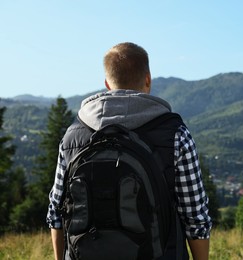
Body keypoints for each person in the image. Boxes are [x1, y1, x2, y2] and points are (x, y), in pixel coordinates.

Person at [46, 42, 212, 260]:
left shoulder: (72, 137)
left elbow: (56, 213)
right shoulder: (176, 135)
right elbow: (195, 217)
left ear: (107, 83)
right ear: (148, 79)